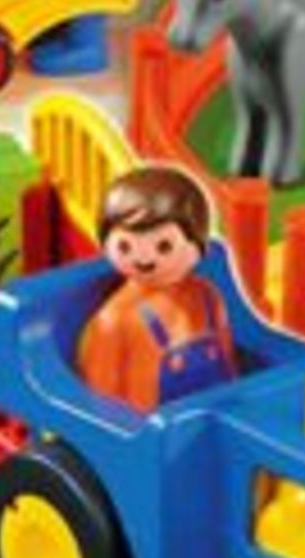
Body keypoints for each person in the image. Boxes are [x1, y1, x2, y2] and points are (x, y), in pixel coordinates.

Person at [74, 166, 238, 413]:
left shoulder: (208, 297)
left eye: (164, 246)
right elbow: (102, 407)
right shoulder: (115, 321)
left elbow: (230, 369)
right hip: (149, 431)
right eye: (125, 246)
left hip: (218, 419)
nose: (144, 258)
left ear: (198, 243)